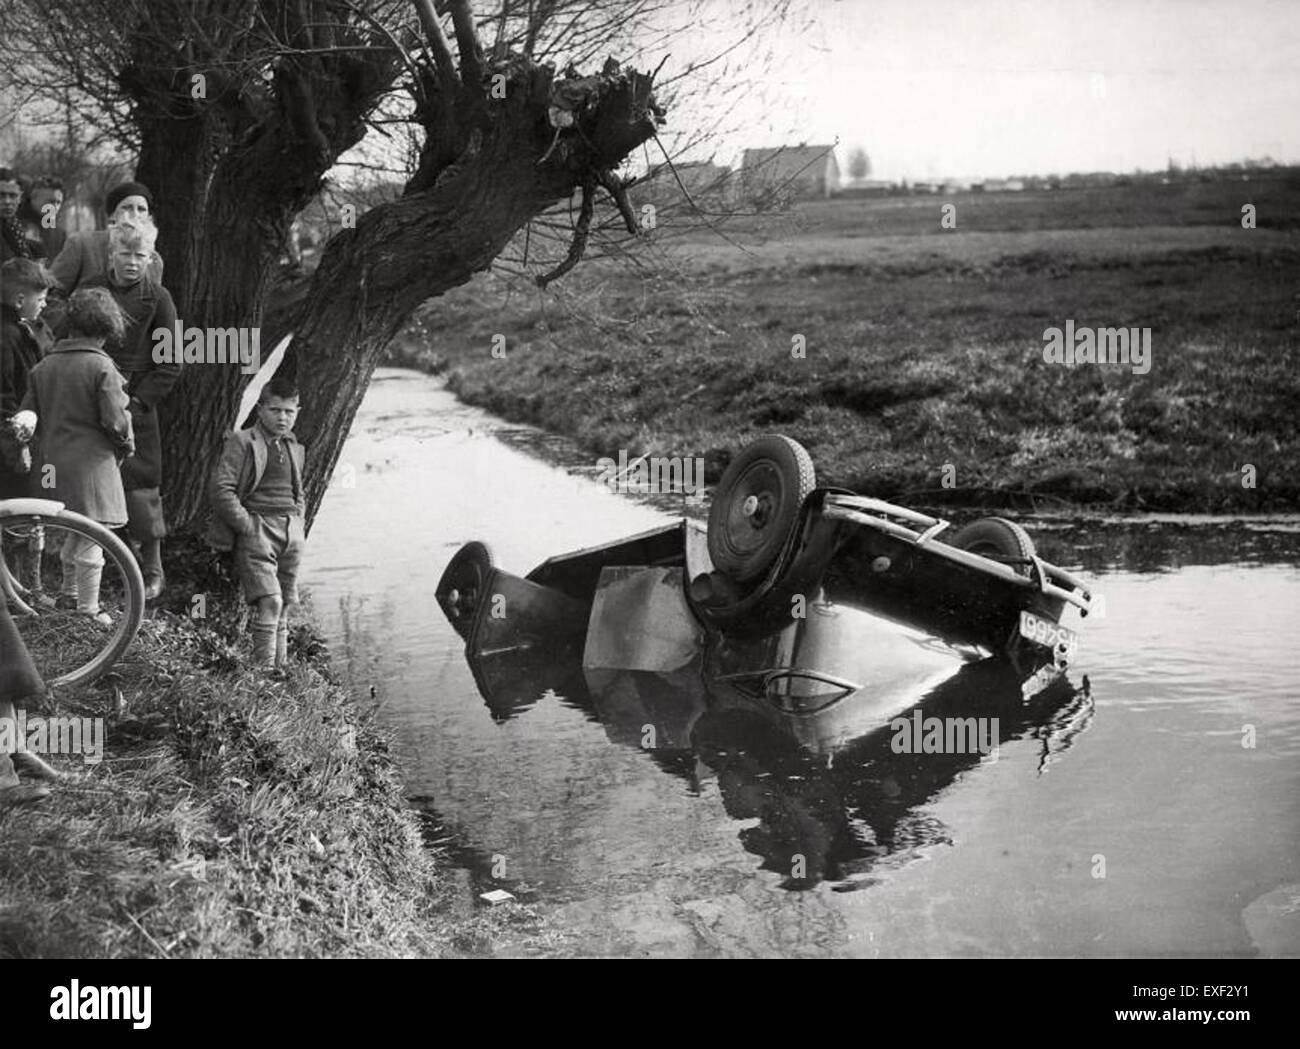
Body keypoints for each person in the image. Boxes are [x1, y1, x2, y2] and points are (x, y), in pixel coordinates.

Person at [17, 288, 134, 626]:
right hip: (90, 466)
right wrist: (126, 443)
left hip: (51, 466)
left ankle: (70, 596)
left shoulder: (44, 366)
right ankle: (88, 609)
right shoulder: (102, 367)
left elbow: (28, 416)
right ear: (106, 329)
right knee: (92, 538)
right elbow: (115, 420)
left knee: (72, 533)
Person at [81, 217, 179, 599]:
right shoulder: (92, 291)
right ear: (111, 253)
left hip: (137, 405)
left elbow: (170, 361)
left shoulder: (158, 298)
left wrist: (138, 403)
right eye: (125, 253)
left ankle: (153, 569)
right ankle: (113, 567)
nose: (133, 262)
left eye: (141, 255)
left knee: (141, 490)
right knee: (98, 485)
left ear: (150, 256)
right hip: (92, 400)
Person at [205, 376, 306, 668]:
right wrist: (247, 526)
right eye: (275, 410)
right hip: (258, 528)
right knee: (270, 601)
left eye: (289, 411)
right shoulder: (242, 440)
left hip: (290, 531)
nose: (283, 417)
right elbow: (221, 489)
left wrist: (298, 520)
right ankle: (263, 672)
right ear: (260, 409)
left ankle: (280, 670)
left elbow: (299, 491)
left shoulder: (293, 446)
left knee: (285, 604)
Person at [0, 258, 57, 501]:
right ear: (20, 300)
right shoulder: (6, 337)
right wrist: (17, 446)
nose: (44, 305)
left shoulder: (27, 327)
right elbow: (4, 396)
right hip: (14, 442)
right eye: (41, 299)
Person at [48, 180, 163, 292]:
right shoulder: (82, 245)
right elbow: (53, 290)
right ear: (112, 215)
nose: (135, 214)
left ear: (148, 216)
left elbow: (153, 302)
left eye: (141, 209)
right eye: (127, 208)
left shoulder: (154, 260)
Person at [19, 176, 67, 260]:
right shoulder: (13, 225)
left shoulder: (60, 234)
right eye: (50, 201)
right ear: (33, 198)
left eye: (58, 202)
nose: (55, 207)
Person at [0, 168, 39, 262]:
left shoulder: (18, 227)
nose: (7, 201)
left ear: (20, 198)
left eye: (13, 196)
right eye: (1, 195)